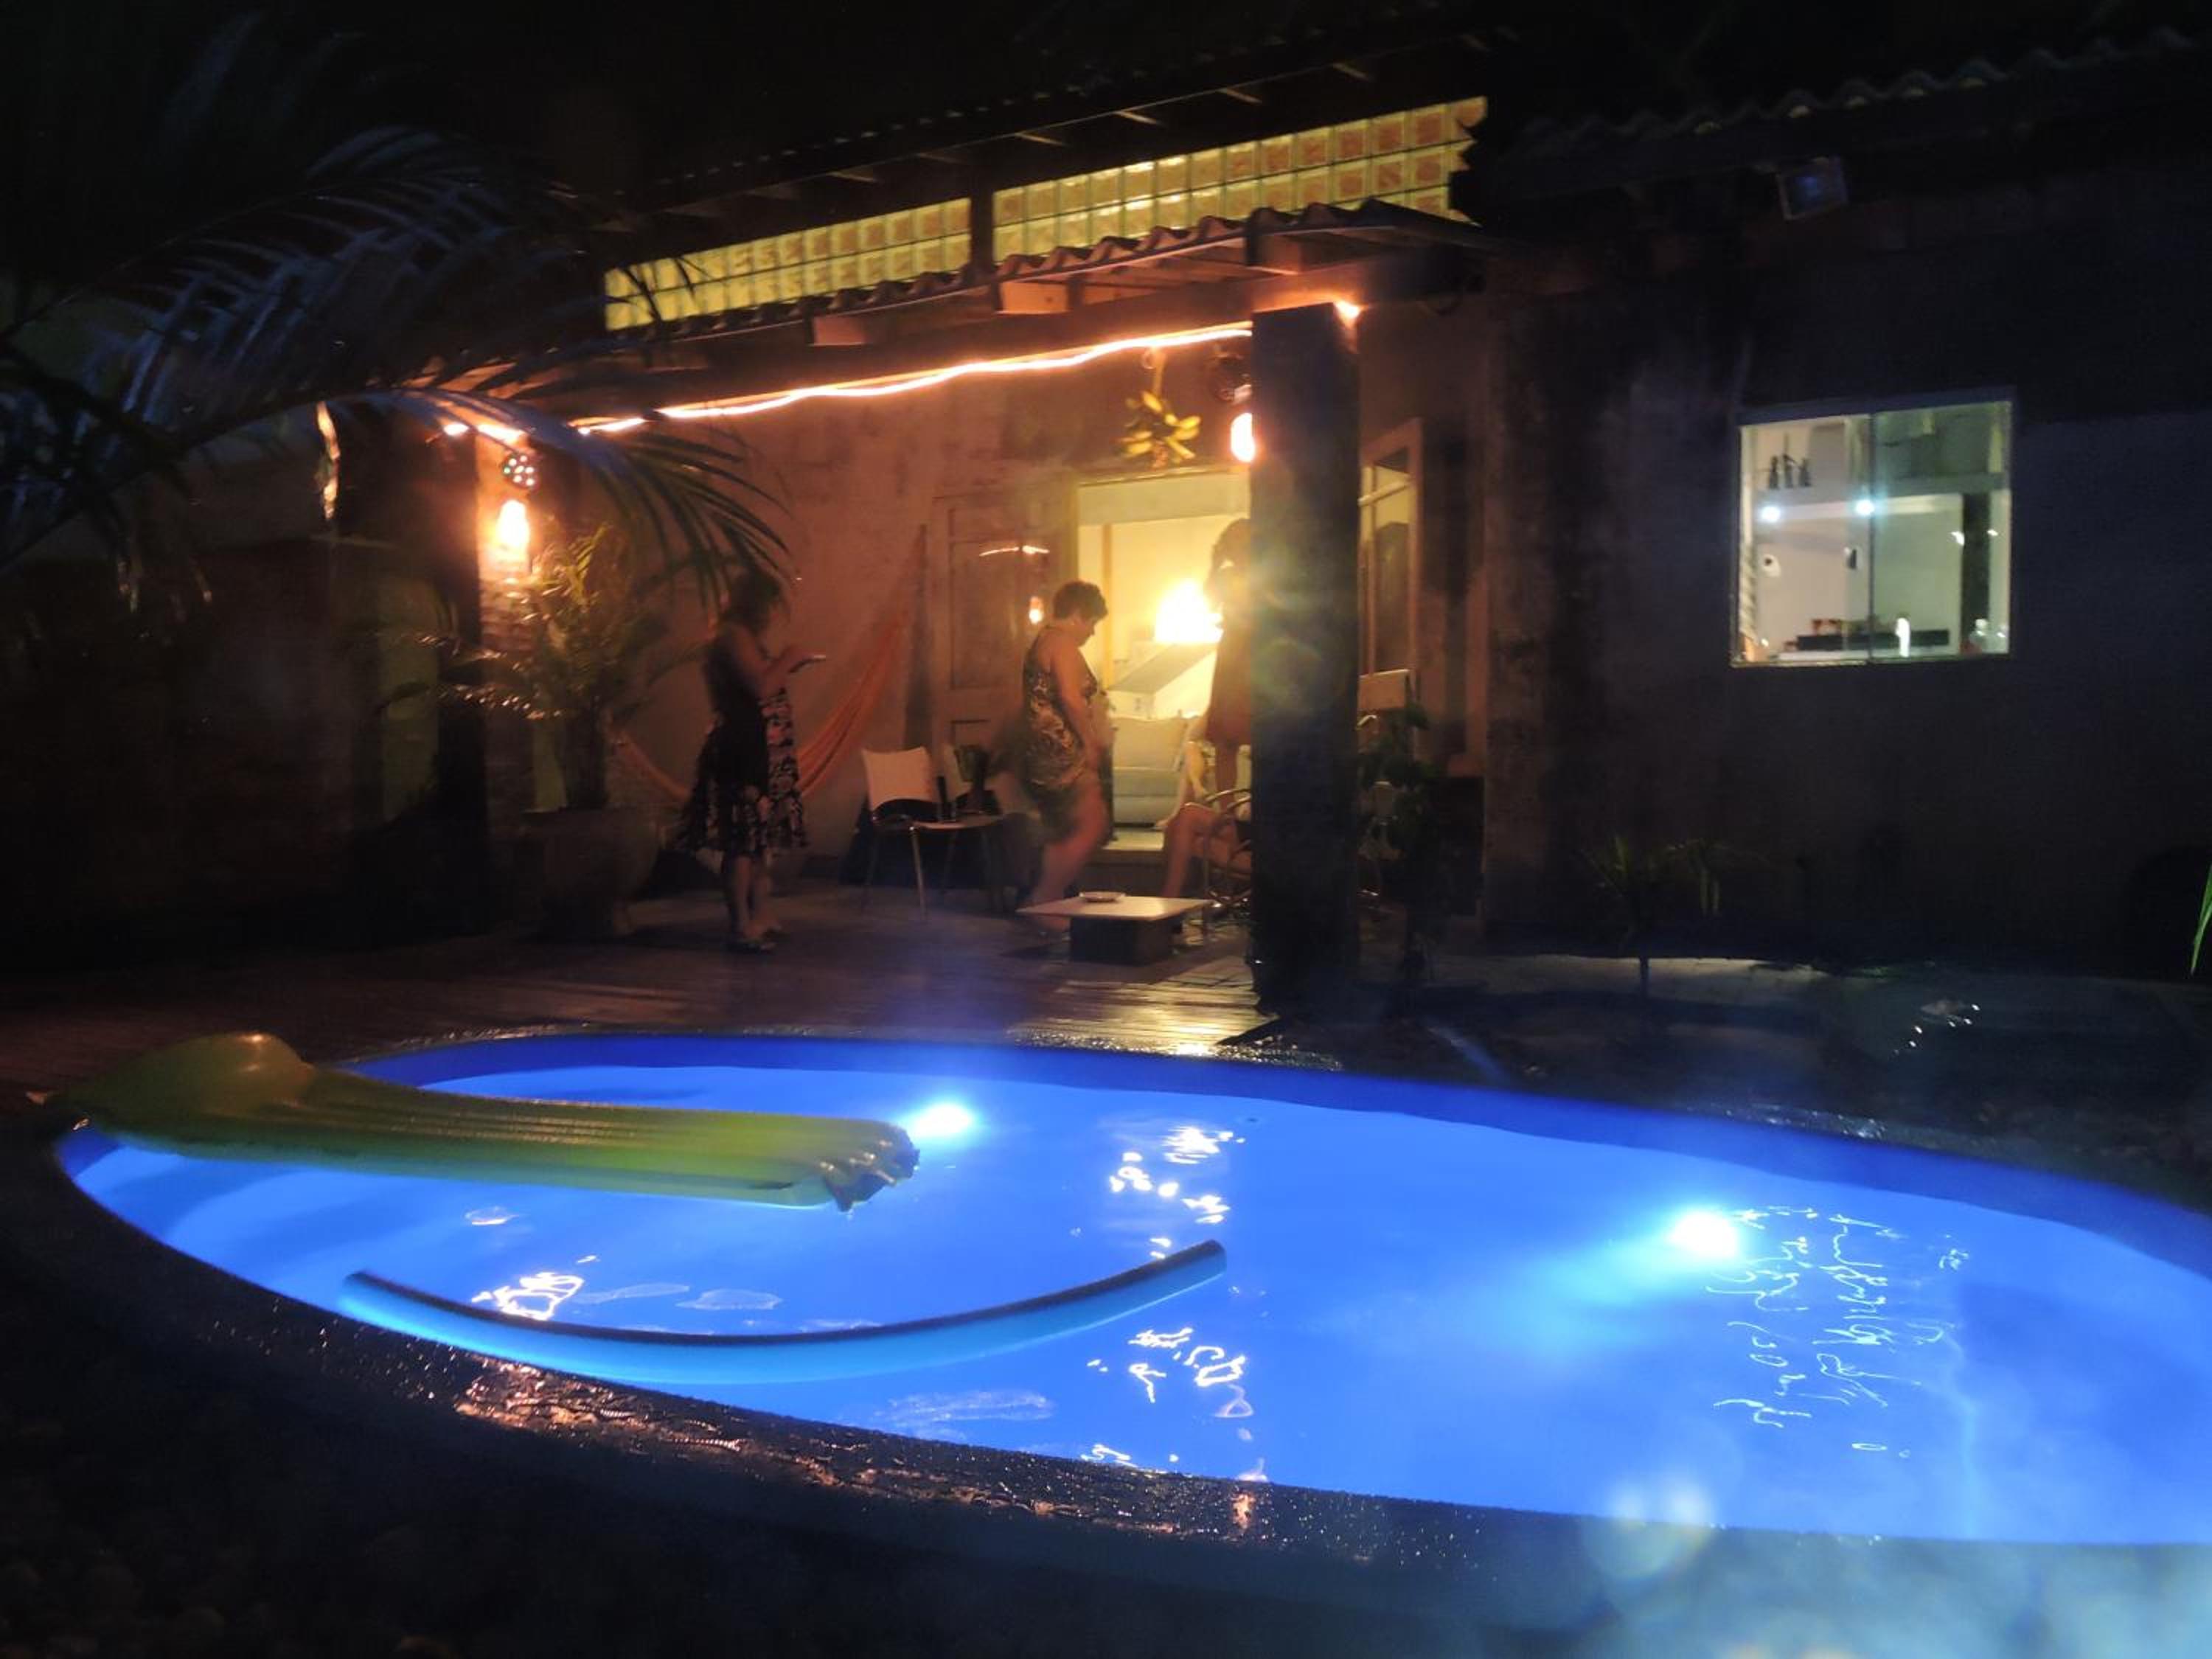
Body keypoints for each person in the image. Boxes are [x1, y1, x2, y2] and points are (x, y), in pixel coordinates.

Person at [675, 569, 824, 953]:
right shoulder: (732, 635)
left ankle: (761, 913)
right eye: (770, 604)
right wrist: (790, 658)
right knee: (743, 841)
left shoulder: (743, 636)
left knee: (759, 840)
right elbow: (760, 686)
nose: (772, 613)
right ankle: (741, 924)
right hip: (744, 749)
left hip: (765, 751)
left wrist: (787, 663)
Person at [1162, 518, 1253, 900]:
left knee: (1254, 734)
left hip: (1257, 654)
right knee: (1225, 739)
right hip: (1233, 653)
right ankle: (1229, 812)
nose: (1238, 550)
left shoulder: (1268, 574)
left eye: (1242, 543)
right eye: (1233, 544)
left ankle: (1246, 813)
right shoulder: (1228, 576)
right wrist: (1216, 565)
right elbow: (1209, 602)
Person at [1016, 580, 1111, 928]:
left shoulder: (1045, 640)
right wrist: (1090, 742)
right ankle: (1045, 899)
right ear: (1077, 615)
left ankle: (1047, 900)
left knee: (1071, 828)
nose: (1092, 632)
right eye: (1092, 623)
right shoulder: (1062, 643)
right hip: (1062, 751)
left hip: (1048, 751)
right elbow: (1071, 699)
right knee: (1093, 823)